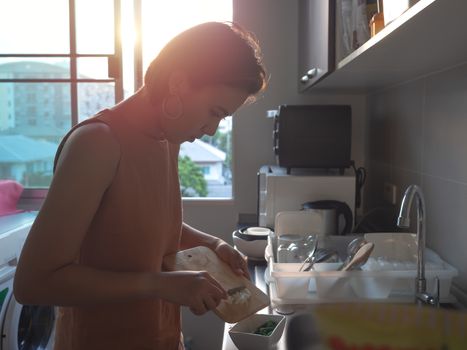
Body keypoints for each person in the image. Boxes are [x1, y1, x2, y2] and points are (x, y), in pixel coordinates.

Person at [13, 21, 267, 350]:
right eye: (214, 112)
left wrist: (211, 243)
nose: (211, 129)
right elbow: (34, 283)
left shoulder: (166, 138)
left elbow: (143, 219)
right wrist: (159, 286)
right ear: (178, 82)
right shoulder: (98, 143)